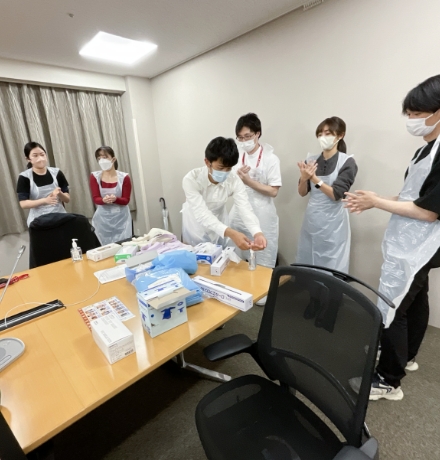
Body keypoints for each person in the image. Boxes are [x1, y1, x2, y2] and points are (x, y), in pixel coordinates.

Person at [344, 75, 440, 401]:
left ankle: (388, 379)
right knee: (415, 299)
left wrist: (376, 202)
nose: (411, 120)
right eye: (409, 114)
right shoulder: (424, 151)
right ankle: (406, 356)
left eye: (417, 113)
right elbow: (411, 197)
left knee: (393, 305)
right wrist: (375, 198)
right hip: (410, 239)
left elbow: (428, 211)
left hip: (422, 242)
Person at [229, 113, 281, 306]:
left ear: (258, 134)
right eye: (240, 138)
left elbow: (273, 191)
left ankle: (262, 292)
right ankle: (240, 289)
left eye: (248, 136)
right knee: (236, 250)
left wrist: (249, 181)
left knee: (263, 253)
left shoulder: (271, 159)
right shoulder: (237, 157)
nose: (244, 141)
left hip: (262, 213)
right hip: (239, 211)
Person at [181, 136, 267, 253]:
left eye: (229, 168)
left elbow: (245, 208)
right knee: (196, 257)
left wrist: (257, 233)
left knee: (219, 257)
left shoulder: (233, 180)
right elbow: (201, 214)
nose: (225, 172)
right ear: (207, 162)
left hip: (220, 223)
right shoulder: (192, 179)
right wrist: (231, 233)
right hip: (195, 225)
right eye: (221, 168)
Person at [296, 117, 358, 273]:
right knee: (309, 259)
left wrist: (314, 179)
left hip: (334, 224)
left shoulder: (347, 162)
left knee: (332, 264)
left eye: (327, 133)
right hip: (312, 219)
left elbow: (336, 194)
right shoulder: (311, 160)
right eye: (320, 134)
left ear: (340, 135)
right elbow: (302, 192)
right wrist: (303, 178)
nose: (323, 137)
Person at [16, 142, 70, 226]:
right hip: (38, 219)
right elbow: (23, 204)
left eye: (42, 154)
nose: (40, 158)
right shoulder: (25, 177)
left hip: (59, 215)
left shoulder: (56, 172)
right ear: (28, 159)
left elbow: (67, 200)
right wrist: (45, 200)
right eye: (35, 155)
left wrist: (59, 193)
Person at [90, 146, 132, 245]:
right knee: (104, 246)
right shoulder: (95, 176)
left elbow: (126, 200)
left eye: (104, 157)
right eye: (99, 158)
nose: (102, 160)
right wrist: (103, 200)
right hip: (103, 219)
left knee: (124, 245)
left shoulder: (124, 177)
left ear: (113, 159)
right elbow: (96, 198)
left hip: (121, 219)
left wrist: (115, 199)